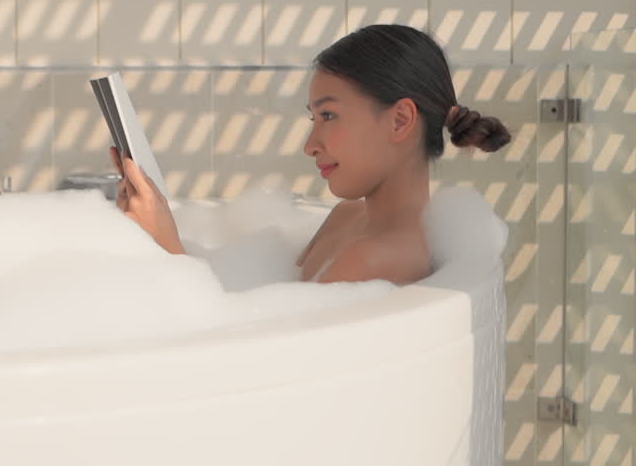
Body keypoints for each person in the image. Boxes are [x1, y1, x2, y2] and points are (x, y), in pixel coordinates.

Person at [111, 24, 512, 285]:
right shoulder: (349, 217)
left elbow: (245, 363)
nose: (310, 145)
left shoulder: (380, 259)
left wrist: (167, 247)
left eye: (329, 115)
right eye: (314, 118)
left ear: (399, 121)